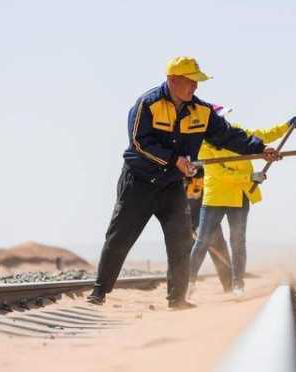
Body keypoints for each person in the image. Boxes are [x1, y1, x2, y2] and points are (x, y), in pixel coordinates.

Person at [87, 56, 285, 309]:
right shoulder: (147, 104)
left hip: (171, 186)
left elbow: (228, 136)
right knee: (120, 237)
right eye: (191, 82)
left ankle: (177, 299)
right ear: (172, 80)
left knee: (180, 241)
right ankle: (99, 293)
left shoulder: (202, 111)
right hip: (139, 182)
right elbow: (138, 143)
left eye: (197, 82)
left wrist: (259, 148)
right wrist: (173, 160)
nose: (196, 87)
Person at [189, 115, 296, 296]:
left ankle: (237, 285)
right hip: (215, 199)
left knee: (238, 242)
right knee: (202, 241)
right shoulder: (203, 145)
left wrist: (287, 126)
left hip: (239, 197)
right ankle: (190, 283)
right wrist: (250, 177)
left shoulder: (238, 134)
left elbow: (264, 135)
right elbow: (221, 174)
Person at [185, 167, 233, 293]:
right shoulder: (182, 175)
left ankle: (230, 287)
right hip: (189, 223)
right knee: (184, 257)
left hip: (208, 222)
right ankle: (185, 288)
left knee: (221, 255)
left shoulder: (209, 174)